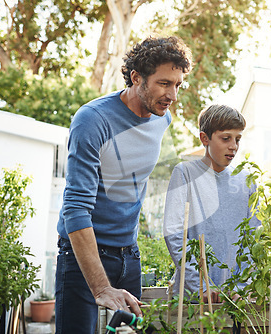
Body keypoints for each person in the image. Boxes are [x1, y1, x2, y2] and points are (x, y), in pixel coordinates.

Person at [55, 36, 193, 333]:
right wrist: (101, 287)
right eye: (164, 83)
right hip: (83, 259)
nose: (173, 95)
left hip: (128, 254)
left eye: (178, 85)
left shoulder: (162, 118)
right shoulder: (93, 120)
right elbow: (75, 209)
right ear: (136, 78)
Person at [163, 104, 260, 302]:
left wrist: (242, 287)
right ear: (204, 138)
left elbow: (253, 238)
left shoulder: (246, 180)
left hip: (235, 298)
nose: (233, 145)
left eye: (237, 139)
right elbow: (174, 235)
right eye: (226, 138)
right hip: (193, 298)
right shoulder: (185, 173)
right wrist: (200, 284)